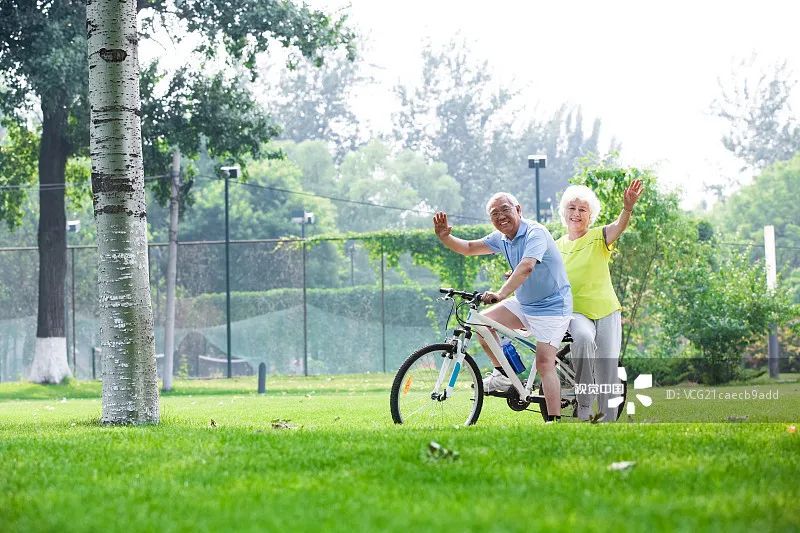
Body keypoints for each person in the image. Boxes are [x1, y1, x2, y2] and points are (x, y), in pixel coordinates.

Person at [433, 192, 572, 422]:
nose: (500, 216)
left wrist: (500, 293)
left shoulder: (534, 233)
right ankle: (504, 375)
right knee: (479, 322)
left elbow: (527, 266)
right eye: (494, 214)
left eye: (505, 209)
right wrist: (446, 238)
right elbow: (468, 247)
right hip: (525, 303)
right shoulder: (502, 238)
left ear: (519, 209)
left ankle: (553, 421)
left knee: (545, 362)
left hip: (553, 307)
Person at [555, 179, 643, 422]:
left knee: (607, 369)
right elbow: (538, 271)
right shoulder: (556, 246)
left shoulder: (598, 237)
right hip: (576, 313)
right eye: (572, 208)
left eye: (582, 209)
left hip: (606, 311)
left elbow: (618, 226)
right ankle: (583, 405)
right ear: (564, 212)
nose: (576, 213)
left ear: (590, 215)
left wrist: (627, 208)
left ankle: (607, 422)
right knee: (582, 340)